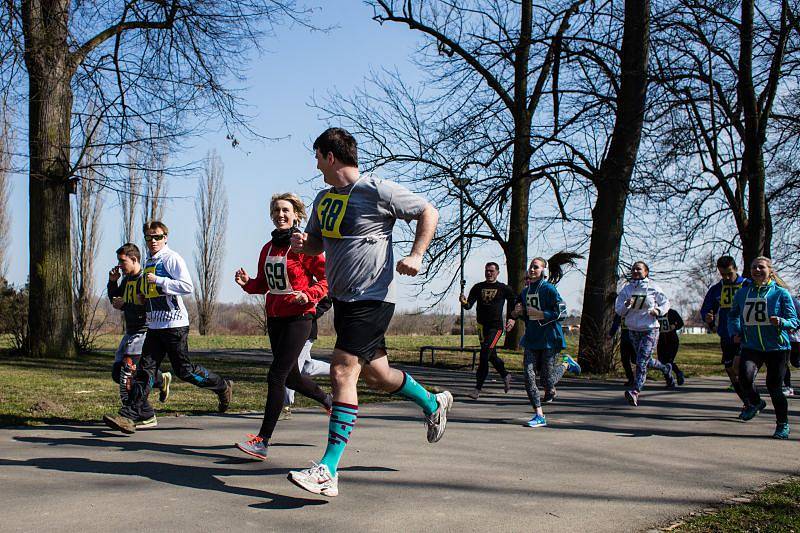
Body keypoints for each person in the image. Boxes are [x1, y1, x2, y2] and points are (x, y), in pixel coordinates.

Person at [287, 127, 452, 497]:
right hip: (344, 300)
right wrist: (304, 244)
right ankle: (432, 402)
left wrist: (416, 254)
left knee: (343, 370)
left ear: (331, 156)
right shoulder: (323, 199)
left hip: (373, 297)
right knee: (378, 376)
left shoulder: (375, 190)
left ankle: (328, 469)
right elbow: (316, 245)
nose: (315, 165)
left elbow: (428, 210)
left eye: (317, 157)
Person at [103, 221, 232, 434]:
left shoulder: (172, 258)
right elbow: (151, 293)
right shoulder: (148, 261)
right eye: (149, 238)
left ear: (165, 238)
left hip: (174, 325)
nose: (153, 241)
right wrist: (144, 297)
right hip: (154, 325)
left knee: (185, 371)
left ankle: (221, 386)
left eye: (157, 237)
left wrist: (161, 281)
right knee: (145, 370)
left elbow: (187, 286)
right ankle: (129, 416)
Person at [233, 193, 332, 460]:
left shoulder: (304, 246)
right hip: (275, 317)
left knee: (276, 376)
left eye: (286, 210)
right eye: (276, 210)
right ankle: (327, 400)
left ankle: (262, 441)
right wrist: (248, 283)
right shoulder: (267, 248)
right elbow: (264, 285)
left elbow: (326, 279)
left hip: (299, 318)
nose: (281, 214)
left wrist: (309, 295)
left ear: (296, 215)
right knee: (292, 377)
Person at [729, 257, 799, 439]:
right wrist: (735, 331)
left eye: (761, 267)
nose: (757, 270)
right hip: (751, 345)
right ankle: (756, 403)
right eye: (753, 267)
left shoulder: (781, 294)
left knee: (774, 387)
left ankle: (782, 424)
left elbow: (794, 321)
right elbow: (733, 315)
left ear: (770, 270)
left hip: (777, 347)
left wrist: (782, 322)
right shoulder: (743, 293)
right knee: (744, 377)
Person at [512, 254, 582, 427]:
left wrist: (543, 314)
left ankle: (566, 363)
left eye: (536, 267)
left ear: (544, 271)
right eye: (531, 267)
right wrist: (516, 313)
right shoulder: (524, 292)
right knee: (528, 376)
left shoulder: (549, 289)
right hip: (531, 339)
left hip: (550, 339)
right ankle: (539, 414)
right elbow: (524, 315)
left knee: (546, 380)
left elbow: (562, 313)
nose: (532, 269)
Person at [106, 243, 170, 429]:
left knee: (128, 373)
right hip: (130, 332)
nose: (119, 265)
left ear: (134, 259)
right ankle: (159, 378)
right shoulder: (126, 280)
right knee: (117, 373)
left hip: (144, 331)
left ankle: (135, 414)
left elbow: (146, 307)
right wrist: (112, 282)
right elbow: (116, 300)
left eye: (122, 261)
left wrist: (125, 305)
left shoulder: (144, 279)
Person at [614, 261, 674, 406]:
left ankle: (635, 391)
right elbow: (619, 310)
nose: (635, 271)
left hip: (650, 329)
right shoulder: (626, 290)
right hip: (633, 330)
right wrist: (626, 305)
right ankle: (666, 368)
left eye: (639, 269)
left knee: (641, 361)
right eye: (633, 269)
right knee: (644, 361)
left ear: (646, 272)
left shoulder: (653, 287)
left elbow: (666, 303)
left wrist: (657, 311)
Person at [459, 262, 516, 399]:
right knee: (491, 355)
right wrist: (463, 301)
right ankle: (505, 375)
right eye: (487, 271)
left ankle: (477, 389)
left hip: (496, 328)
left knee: (484, 354)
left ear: (497, 272)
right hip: (481, 327)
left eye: (491, 271)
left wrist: (513, 318)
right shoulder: (478, 287)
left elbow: (515, 301)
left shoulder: (503, 288)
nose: (489, 273)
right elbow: (468, 306)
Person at [700, 256, 750, 405]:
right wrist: (708, 317)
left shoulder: (748, 285)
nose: (727, 277)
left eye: (729, 273)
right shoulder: (716, 289)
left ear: (735, 268)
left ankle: (752, 401)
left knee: (738, 367)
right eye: (723, 274)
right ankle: (747, 402)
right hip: (726, 334)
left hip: (745, 334)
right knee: (730, 370)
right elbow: (706, 309)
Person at [283, 296, 333, 419]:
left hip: (306, 331)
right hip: (288, 329)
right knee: (307, 367)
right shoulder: (287, 282)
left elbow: (327, 301)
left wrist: (312, 314)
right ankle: (339, 370)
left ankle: (285, 406)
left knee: (290, 370)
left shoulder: (311, 281)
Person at [656, 308, 685, 386]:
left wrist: (674, 326)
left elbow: (681, 323)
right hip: (661, 341)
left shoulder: (672, 312)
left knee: (669, 360)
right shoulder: (656, 312)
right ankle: (669, 378)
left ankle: (678, 374)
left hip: (672, 340)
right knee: (661, 361)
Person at [609, 314, 635, 387]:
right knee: (624, 359)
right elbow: (616, 323)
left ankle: (640, 377)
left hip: (635, 340)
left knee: (635, 360)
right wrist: (611, 334)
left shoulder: (636, 309)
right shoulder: (621, 311)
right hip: (625, 339)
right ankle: (631, 379)